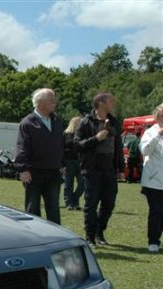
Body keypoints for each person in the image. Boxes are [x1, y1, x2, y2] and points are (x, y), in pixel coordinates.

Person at [74, 92, 125, 248]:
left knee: (109, 203)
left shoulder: (114, 122)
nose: (113, 103)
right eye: (111, 101)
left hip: (109, 169)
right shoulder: (85, 122)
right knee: (91, 203)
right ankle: (89, 237)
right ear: (101, 103)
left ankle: (99, 231)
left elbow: (118, 147)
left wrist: (121, 169)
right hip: (91, 169)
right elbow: (77, 145)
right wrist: (96, 139)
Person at [14, 88, 65, 224]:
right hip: (33, 172)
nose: (54, 102)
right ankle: (34, 236)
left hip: (54, 171)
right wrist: (23, 169)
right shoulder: (27, 123)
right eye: (51, 100)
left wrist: (62, 164)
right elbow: (21, 147)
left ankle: (56, 237)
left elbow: (61, 144)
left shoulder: (57, 121)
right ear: (39, 102)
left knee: (53, 207)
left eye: (54, 99)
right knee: (33, 207)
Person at [140, 103, 163, 253]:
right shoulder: (150, 132)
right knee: (156, 211)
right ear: (157, 116)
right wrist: (157, 136)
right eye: (162, 116)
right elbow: (144, 150)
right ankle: (153, 241)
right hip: (154, 181)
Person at [63, 116, 84, 210]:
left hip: (80, 161)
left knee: (83, 183)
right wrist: (62, 164)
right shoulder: (65, 134)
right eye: (78, 122)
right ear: (73, 123)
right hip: (68, 161)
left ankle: (74, 199)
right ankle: (69, 203)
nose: (80, 124)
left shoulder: (82, 134)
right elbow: (61, 149)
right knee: (68, 183)